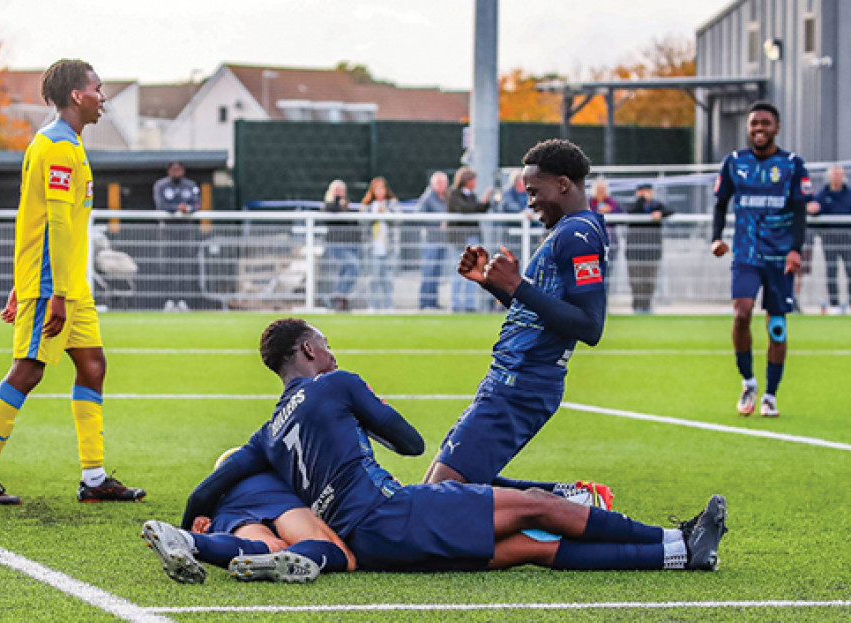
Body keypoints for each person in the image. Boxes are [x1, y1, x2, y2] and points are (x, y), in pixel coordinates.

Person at [176, 318, 728, 578]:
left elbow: (209, 489)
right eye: (328, 344)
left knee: (532, 546)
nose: (333, 352)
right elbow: (412, 443)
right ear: (310, 348)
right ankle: (678, 536)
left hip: (370, 547)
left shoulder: (267, 433)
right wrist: (365, 416)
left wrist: (191, 524)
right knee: (537, 504)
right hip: (394, 512)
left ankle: (680, 554)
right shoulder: (336, 384)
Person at [0, 59, 145, 505]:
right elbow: (55, 224)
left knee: (93, 365)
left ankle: (95, 479)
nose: (103, 97)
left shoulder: (67, 144)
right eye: (98, 88)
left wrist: (32, 283)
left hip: (66, 284)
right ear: (78, 95)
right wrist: (47, 290)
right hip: (54, 285)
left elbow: (33, 218)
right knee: (28, 369)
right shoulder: (57, 147)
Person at [423, 139, 609, 488]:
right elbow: (542, 314)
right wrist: (495, 285)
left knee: (442, 493)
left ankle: (568, 502)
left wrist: (518, 286)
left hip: (524, 383)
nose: (531, 201)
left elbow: (590, 326)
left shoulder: (579, 235)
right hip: (508, 378)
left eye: (535, 191)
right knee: (439, 489)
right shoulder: (567, 231)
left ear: (563, 184)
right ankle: (568, 499)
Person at [711, 101, 813, 418]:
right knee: (742, 314)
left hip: (780, 257)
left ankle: (770, 395)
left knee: (777, 327)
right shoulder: (734, 163)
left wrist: (796, 249)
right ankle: (748, 382)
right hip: (746, 254)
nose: (759, 128)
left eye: (765, 123)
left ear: (776, 128)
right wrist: (716, 237)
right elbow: (720, 204)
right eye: (754, 123)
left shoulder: (793, 165)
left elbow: (799, 212)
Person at [141, 449, 356, 584]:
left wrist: (192, 528)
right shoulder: (276, 471)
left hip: (228, 512)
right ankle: (288, 557)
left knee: (265, 546)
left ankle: (186, 540)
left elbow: (200, 510)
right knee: (342, 555)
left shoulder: (220, 495)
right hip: (278, 496)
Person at [152, 161, 201, 312]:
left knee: (184, 266)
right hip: (167, 231)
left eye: (179, 169)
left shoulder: (190, 185)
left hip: (186, 232)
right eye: (173, 169)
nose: (176, 172)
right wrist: (176, 209)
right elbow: (160, 205)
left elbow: (197, 204)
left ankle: (182, 300)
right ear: (168, 171)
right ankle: (169, 300)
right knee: (167, 265)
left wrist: (188, 209)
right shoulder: (161, 186)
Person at [447, 167, 492, 312]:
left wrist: (485, 201)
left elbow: (478, 208)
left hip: (472, 237)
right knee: (458, 272)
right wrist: (479, 205)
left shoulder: (471, 196)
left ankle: (469, 304)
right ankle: (455, 304)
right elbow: (464, 209)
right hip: (459, 239)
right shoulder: (454, 194)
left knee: (473, 271)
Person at [807, 166, 851, 314]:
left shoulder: (849, 194)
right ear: (830, 177)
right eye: (834, 175)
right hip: (829, 239)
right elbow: (814, 208)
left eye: (839, 175)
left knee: (850, 270)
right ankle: (835, 303)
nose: (837, 178)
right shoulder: (822, 194)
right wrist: (812, 209)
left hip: (848, 239)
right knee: (831, 270)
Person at [625, 183, 672, 314]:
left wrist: (660, 213)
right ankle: (637, 307)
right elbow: (631, 211)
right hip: (634, 251)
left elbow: (670, 210)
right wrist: (641, 201)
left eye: (647, 191)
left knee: (650, 281)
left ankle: (647, 306)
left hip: (652, 251)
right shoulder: (633, 205)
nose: (645, 194)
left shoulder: (656, 205)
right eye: (642, 191)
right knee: (635, 281)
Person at [321, 179, 362, 311]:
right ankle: (339, 295)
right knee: (352, 266)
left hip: (351, 244)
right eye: (336, 190)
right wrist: (338, 203)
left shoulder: (349, 205)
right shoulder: (328, 205)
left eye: (341, 190)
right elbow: (329, 216)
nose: (339, 192)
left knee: (346, 270)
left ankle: (340, 300)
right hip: (336, 244)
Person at [361, 176, 399, 311]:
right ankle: (373, 306)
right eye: (376, 188)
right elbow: (362, 223)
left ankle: (389, 306)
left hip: (388, 248)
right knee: (373, 279)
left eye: (382, 188)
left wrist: (386, 213)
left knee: (388, 279)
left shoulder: (392, 204)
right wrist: (373, 215)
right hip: (373, 248)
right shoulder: (367, 206)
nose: (380, 191)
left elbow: (398, 221)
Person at [417, 171, 450, 310]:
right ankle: (425, 302)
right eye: (439, 183)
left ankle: (433, 301)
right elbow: (419, 216)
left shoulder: (447, 197)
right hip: (431, 239)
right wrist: (438, 222)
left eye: (443, 183)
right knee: (428, 270)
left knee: (437, 271)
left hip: (443, 239)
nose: (442, 186)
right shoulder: (427, 198)